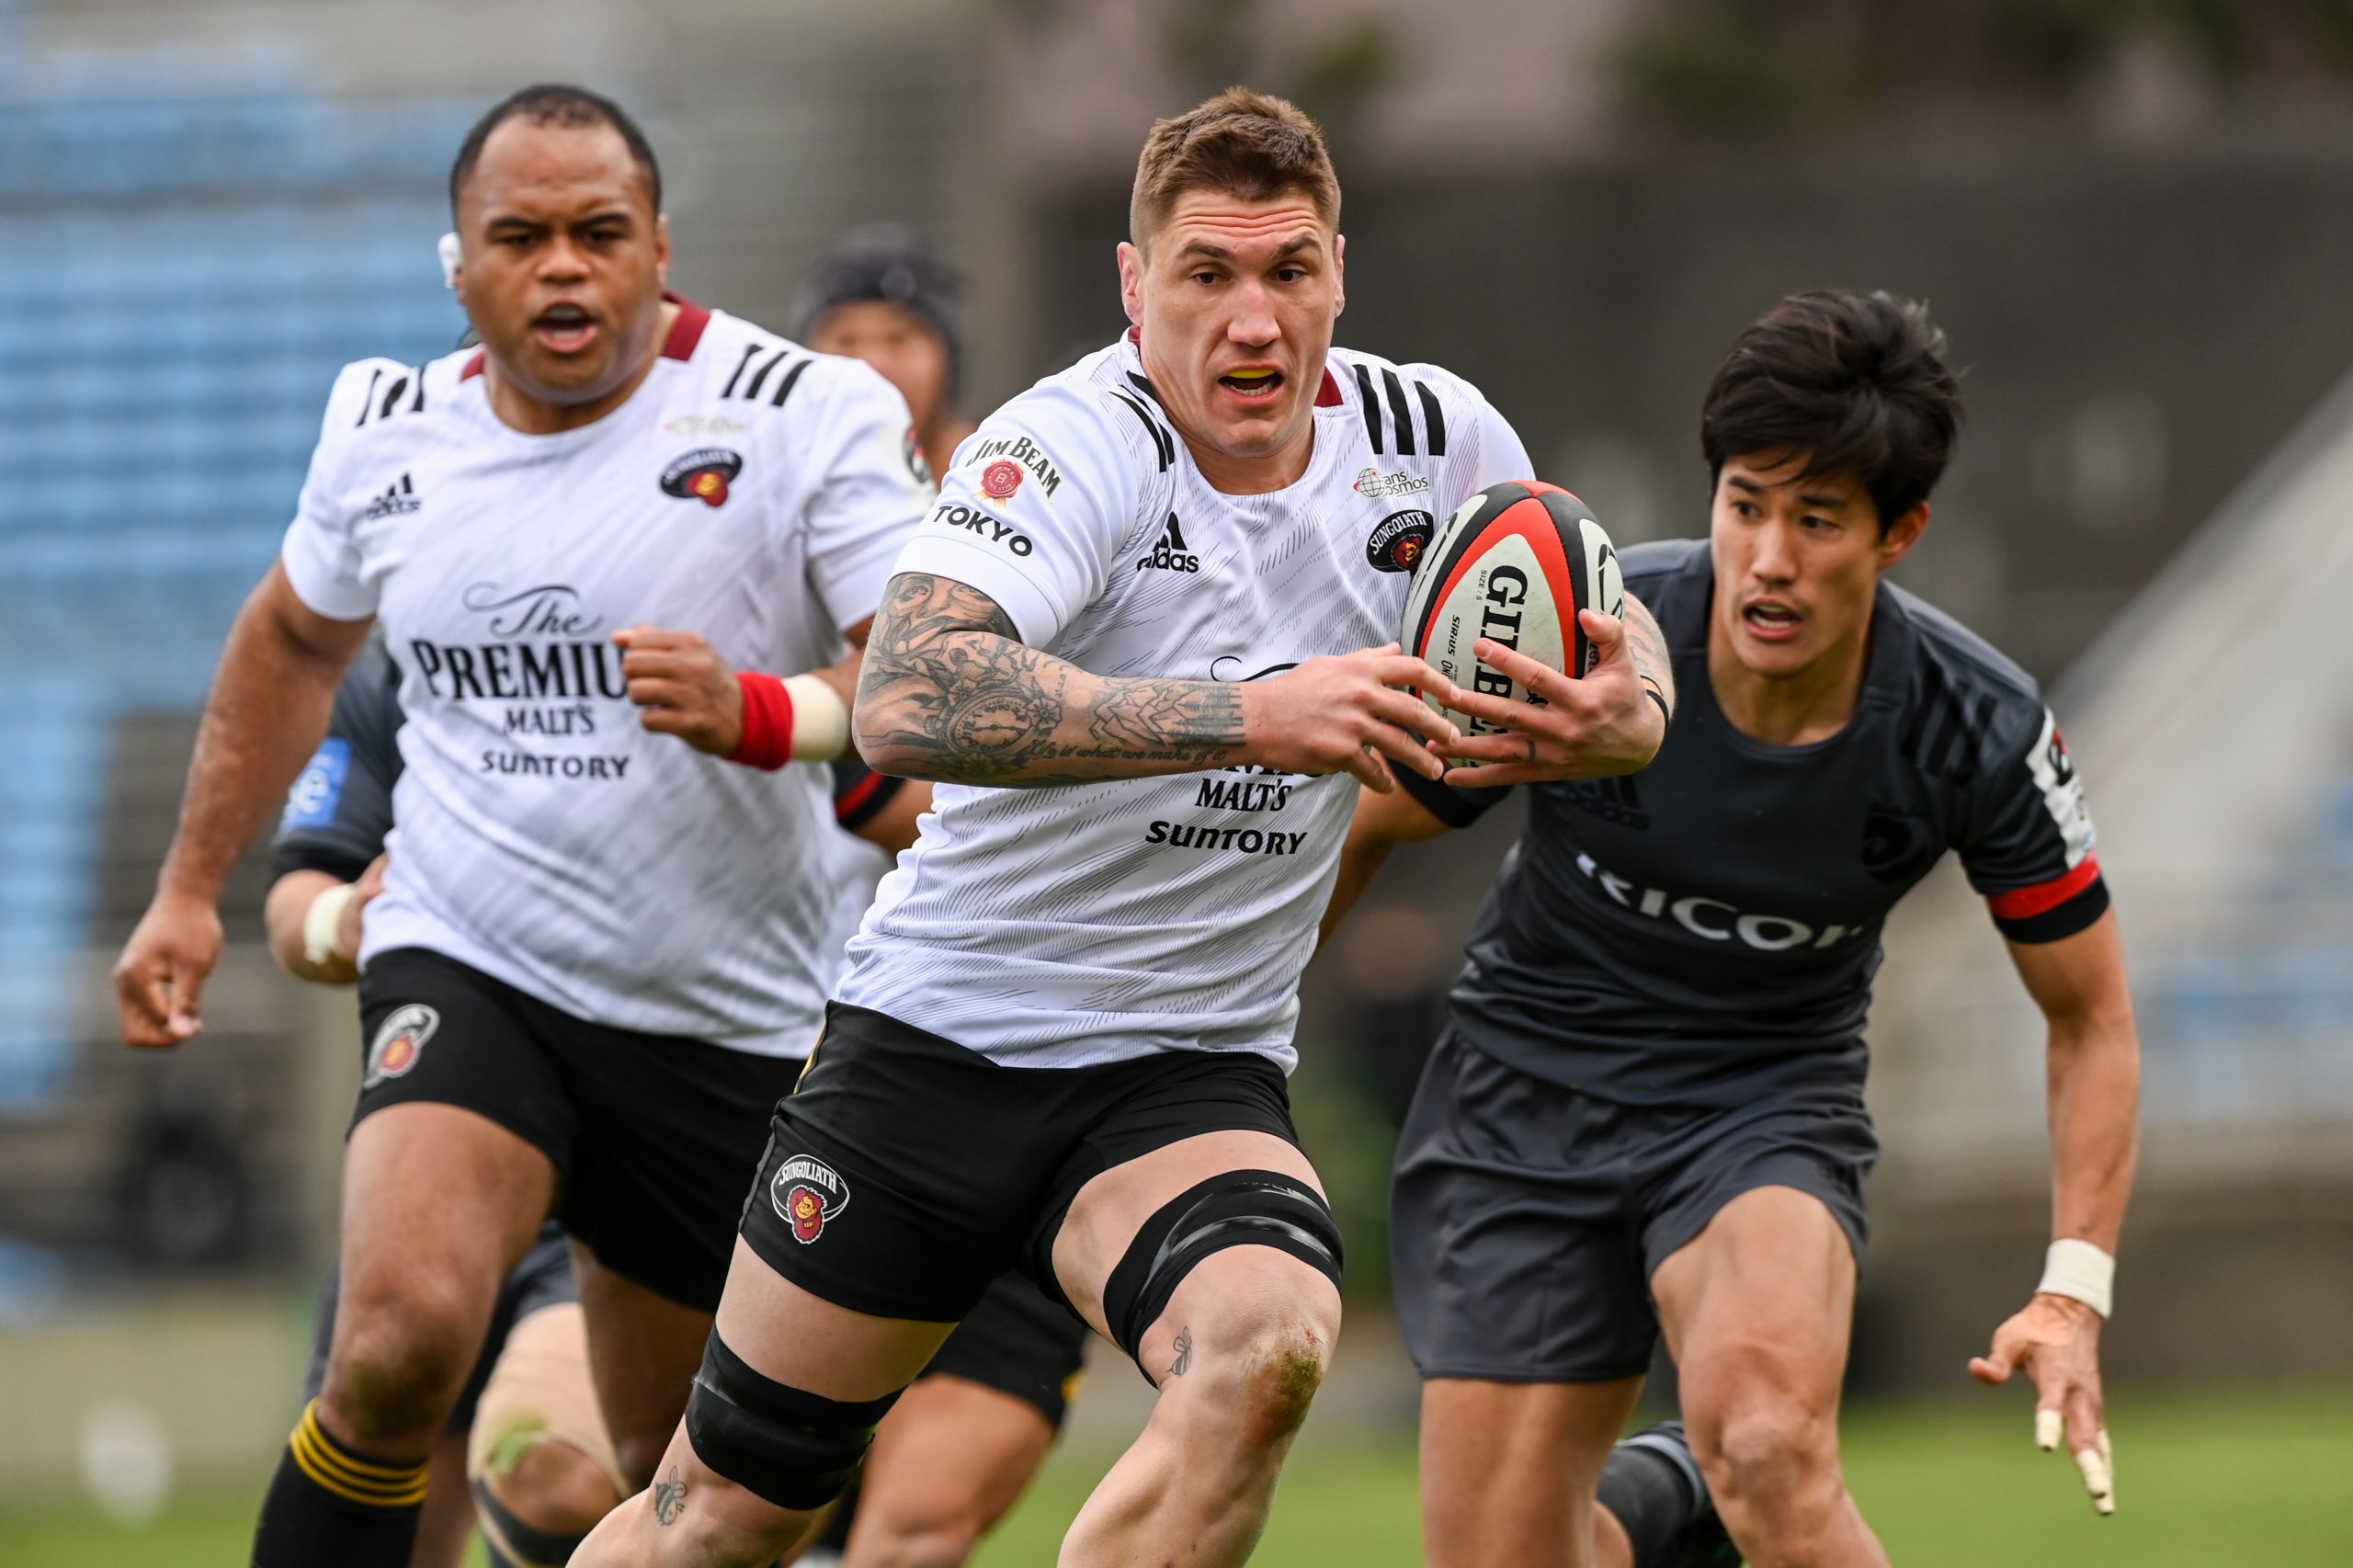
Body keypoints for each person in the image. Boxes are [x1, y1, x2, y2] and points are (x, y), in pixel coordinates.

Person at [574, 86, 1673, 1568]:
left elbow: (1609, 605)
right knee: (719, 1517)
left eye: (1288, 270)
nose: (1253, 318)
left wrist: (1631, 711)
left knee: (1266, 1344)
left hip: (1184, 1067)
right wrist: (1250, 714)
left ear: (1339, 274)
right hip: (937, 1047)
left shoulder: (1432, 437)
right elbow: (907, 693)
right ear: (1134, 285)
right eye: (1207, 273)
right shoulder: (1069, 443)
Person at [110, 83, 933, 1568]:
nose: (563, 266)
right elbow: (292, 637)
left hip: (724, 1016)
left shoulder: (805, 413)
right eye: (521, 236)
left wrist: (760, 709)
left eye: (599, 233)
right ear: (459, 265)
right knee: (393, 1346)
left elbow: (926, 679)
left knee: (699, 1496)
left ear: (661, 247)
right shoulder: (387, 428)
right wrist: (187, 892)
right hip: (476, 959)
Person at [1326, 290, 2142, 1568]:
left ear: (1899, 532)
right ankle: (1672, 1502)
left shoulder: (1975, 728)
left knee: (1767, 1444)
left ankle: (1715, 1474)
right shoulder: (1582, 638)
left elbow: (2090, 1019)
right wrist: (1231, 1049)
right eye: (1745, 504)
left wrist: (2072, 1289)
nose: (1768, 558)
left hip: (1760, 1101)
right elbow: (1366, 826)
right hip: (1521, 1098)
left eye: (1816, 520)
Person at [797, 228, 976, 485]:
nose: (872, 364)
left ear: (947, 357)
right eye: (846, 341)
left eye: (898, 339)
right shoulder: (771, 487)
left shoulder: (1014, 479)